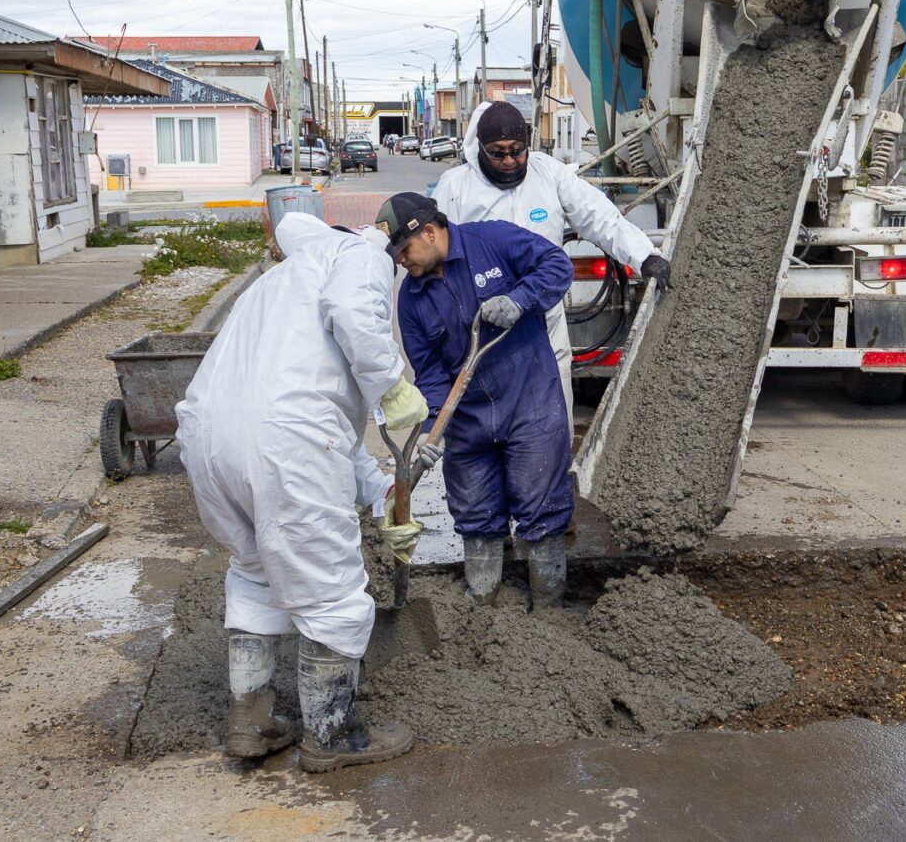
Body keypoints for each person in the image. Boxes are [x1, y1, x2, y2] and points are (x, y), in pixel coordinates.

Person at [175, 212, 429, 773]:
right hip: (286, 444)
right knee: (330, 589)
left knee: (255, 572)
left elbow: (328, 432)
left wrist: (384, 490)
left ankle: (252, 720)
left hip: (209, 438)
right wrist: (391, 386)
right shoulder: (359, 254)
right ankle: (332, 735)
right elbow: (350, 317)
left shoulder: (279, 281)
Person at [432, 100, 672, 431]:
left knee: (553, 425)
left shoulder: (548, 174)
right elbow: (436, 258)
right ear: (481, 148)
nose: (509, 160)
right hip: (487, 331)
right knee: (493, 429)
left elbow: (598, 216)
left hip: (545, 321)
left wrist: (644, 255)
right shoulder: (456, 187)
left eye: (517, 151)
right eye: (498, 153)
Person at [385, 192, 575, 608]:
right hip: (468, 421)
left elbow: (557, 265)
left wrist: (519, 299)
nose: (400, 260)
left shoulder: (492, 240)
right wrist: (432, 430)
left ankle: (549, 612)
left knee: (541, 506)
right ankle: (482, 609)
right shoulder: (411, 299)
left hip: (529, 402)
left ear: (429, 232)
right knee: (475, 512)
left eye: (404, 249)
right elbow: (430, 373)